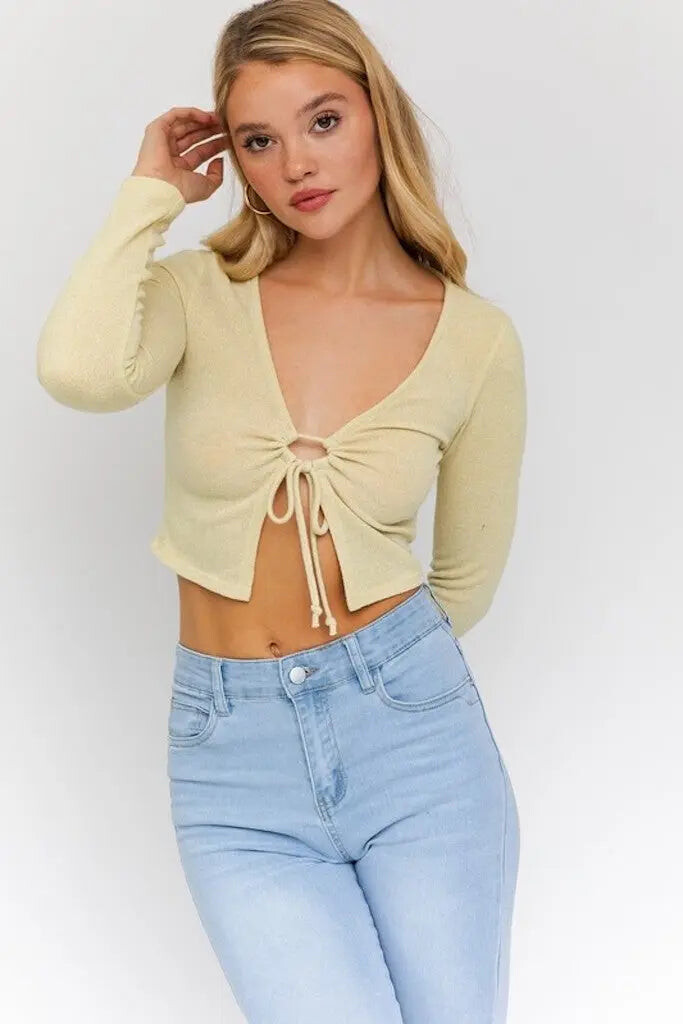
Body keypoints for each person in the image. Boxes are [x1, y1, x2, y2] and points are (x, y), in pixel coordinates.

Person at [36, 1, 527, 1021]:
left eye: (323, 120)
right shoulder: (199, 293)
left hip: (417, 751)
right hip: (231, 761)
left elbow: (465, 582)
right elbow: (79, 372)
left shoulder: (475, 341)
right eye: (258, 140)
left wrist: (378, 679)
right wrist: (149, 196)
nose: (296, 163)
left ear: (378, 114)